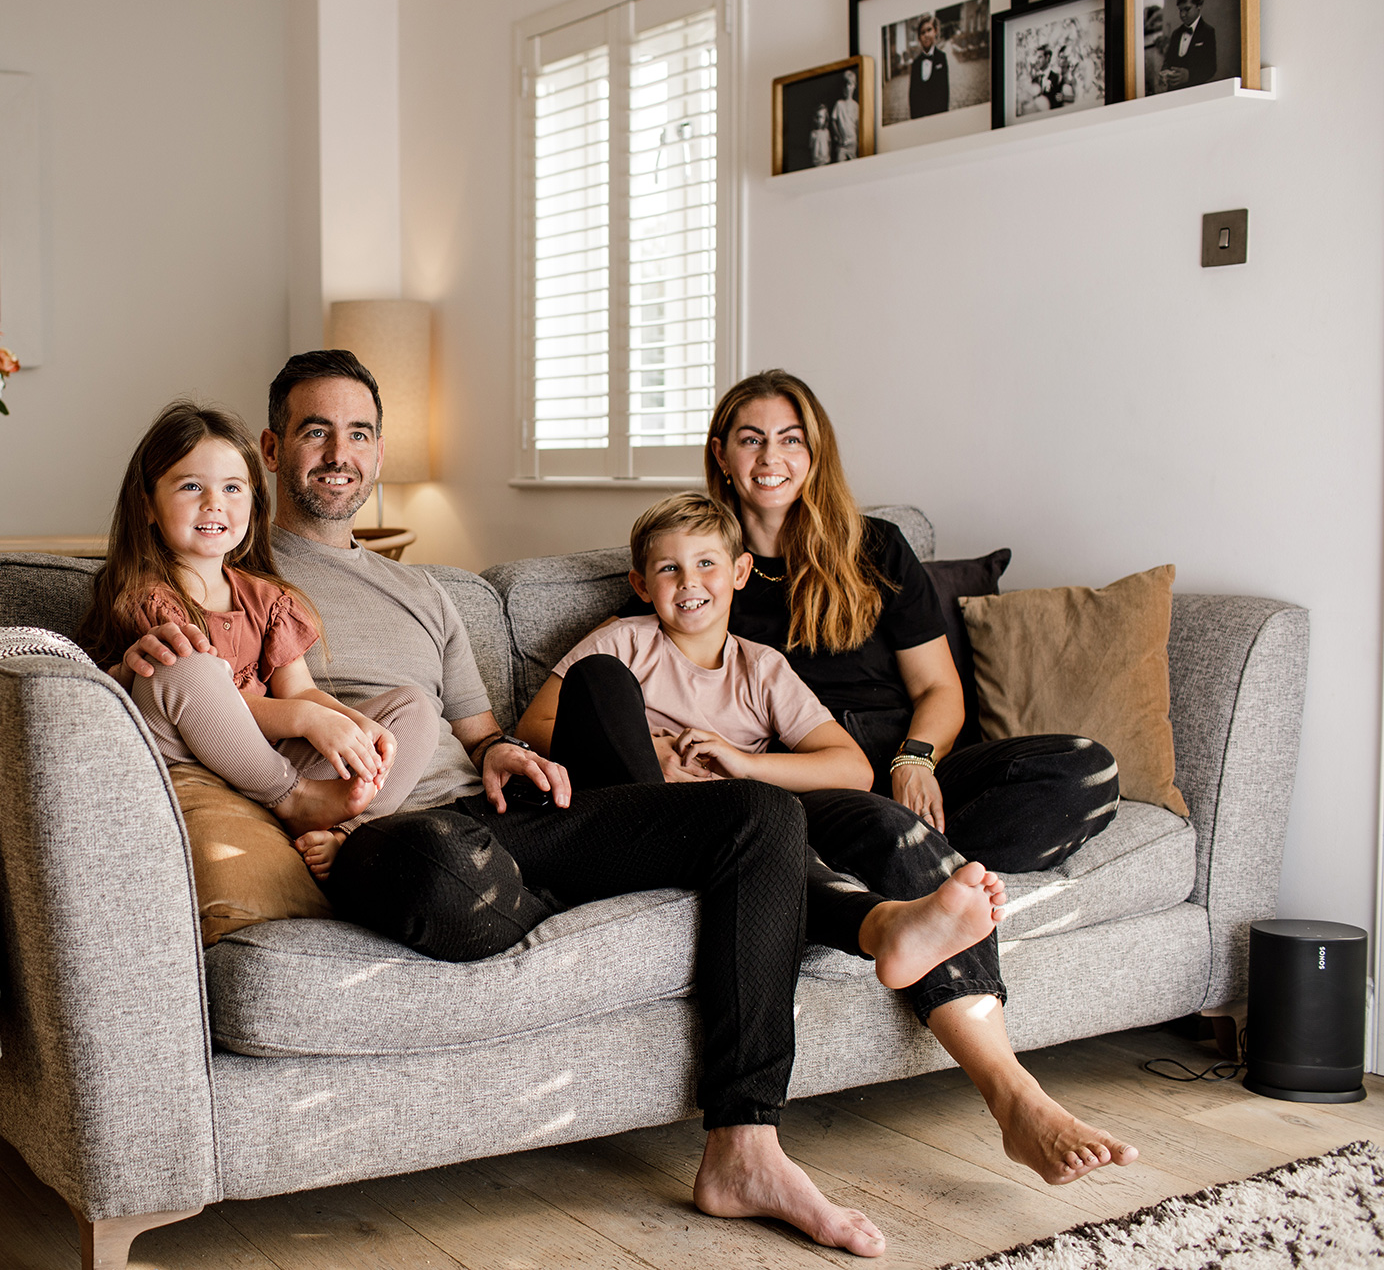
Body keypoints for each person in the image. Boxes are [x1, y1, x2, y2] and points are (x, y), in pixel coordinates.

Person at [119, 352, 1021, 1257]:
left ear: (379, 450)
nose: (338, 453)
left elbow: (481, 732)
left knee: (759, 813)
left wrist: (507, 748)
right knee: (445, 871)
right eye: (315, 431)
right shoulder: (231, 570)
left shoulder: (424, 590)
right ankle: (808, 919)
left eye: (358, 432)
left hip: (505, 820)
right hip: (382, 831)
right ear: (272, 449)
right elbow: (181, 698)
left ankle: (744, 1143)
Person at [702, 368, 1139, 1185]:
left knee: (1087, 772)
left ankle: (917, 868)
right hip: (813, 778)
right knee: (891, 833)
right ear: (722, 454)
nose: (772, 456)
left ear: (815, 450)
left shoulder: (876, 548)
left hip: (909, 759)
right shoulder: (709, 568)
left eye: (790, 438)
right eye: (751, 438)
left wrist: (917, 758)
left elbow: (939, 690)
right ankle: (1013, 1096)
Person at [516, 491, 1007, 994]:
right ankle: (885, 927)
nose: (689, 583)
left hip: (730, 826)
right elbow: (534, 728)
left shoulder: (763, 668)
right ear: (641, 585)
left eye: (707, 563)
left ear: (740, 572)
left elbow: (853, 770)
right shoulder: (621, 642)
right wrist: (648, 750)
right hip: (636, 820)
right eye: (669, 569)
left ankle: (891, 927)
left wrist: (745, 763)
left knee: (785, 845)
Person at [79, 400, 443, 867]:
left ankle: (346, 831)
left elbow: (302, 693)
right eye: (192, 486)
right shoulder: (146, 597)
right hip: (197, 756)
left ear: (254, 501)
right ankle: (294, 799)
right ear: (147, 504)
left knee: (415, 708)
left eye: (233, 488)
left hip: (272, 756)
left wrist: (350, 724)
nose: (214, 503)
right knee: (183, 664)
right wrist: (307, 722)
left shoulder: (268, 599)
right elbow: (225, 702)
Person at [1158, 0, 1217, 91]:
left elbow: (1211, 68)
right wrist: (1164, 72)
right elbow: (1168, 60)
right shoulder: (1176, 34)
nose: (1182, 14)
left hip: (1195, 94)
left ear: (1199, 5)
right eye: (1180, 10)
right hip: (1173, 94)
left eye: (1187, 9)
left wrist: (1189, 75)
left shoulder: (1207, 32)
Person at [907, 14, 950, 118]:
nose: (926, 35)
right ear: (919, 38)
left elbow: (945, 91)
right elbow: (912, 95)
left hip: (938, 113)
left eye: (929, 30)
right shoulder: (916, 64)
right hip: (921, 114)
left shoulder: (941, 58)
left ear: (935, 31)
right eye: (922, 33)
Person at [830, 69, 861, 161]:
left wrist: (859, 141)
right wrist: (838, 135)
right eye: (846, 85)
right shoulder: (839, 104)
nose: (848, 88)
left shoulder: (856, 106)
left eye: (850, 84)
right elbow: (833, 120)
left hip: (853, 142)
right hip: (842, 143)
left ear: (854, 86)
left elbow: (858, 124)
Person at [808, 104, 832, 169]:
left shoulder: (826, 132)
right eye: (817, 117)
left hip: (825, 161)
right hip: (816, 162)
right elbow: (811, 148)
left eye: (821, 117)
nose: (819, 120)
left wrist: (828, 158)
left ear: (825, 119)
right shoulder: (813, 133)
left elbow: (829, 145)